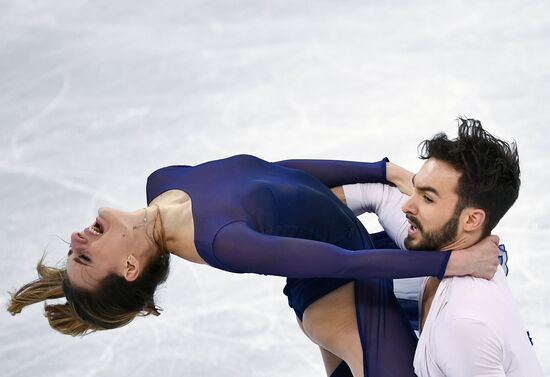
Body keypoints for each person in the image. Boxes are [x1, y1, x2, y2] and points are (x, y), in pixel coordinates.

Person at [7, 139, 499, 375]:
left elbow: (271, 173)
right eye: (86, 259)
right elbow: (341, 263)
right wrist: (452, 264)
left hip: (354, 251)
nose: (77, 239)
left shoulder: (162, 182)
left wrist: (380, 168)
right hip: (340, 291)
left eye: (74, 252)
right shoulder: (221, 241)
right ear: (130, 269)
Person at [311, 118, 543, 376]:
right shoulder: (440, 243)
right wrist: (392, 173)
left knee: (330, 298)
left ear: (471, 220)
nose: (407, 206)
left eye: (428, 198)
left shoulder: (464, 322)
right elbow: (375, 194)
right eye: (415, 189)